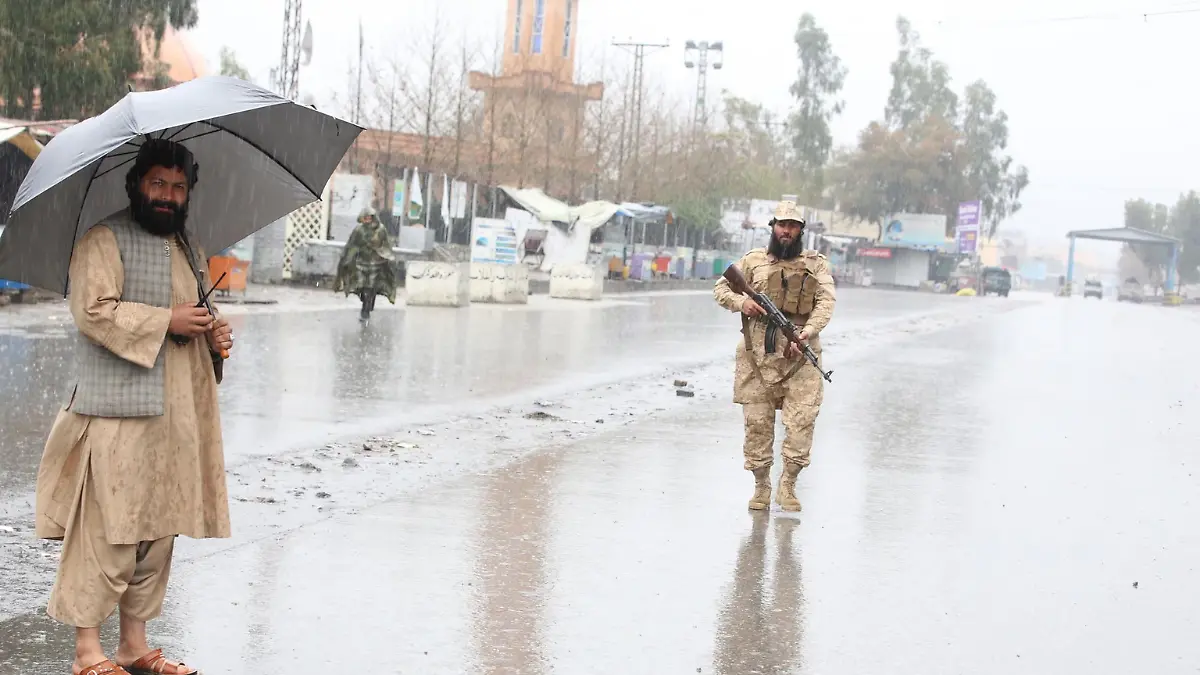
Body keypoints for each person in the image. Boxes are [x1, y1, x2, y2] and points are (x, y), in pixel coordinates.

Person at [34, 138, 233, 675]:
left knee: (155, 531)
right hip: (118, 414)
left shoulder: (188, 245)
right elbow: (93, 312)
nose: (168, 196)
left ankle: (132, 647)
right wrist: (166, 321)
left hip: (176, 419)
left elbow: (192, 316)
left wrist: (213, 333)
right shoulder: (104, 240)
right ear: (137, 185)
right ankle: (86, 652)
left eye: (178, 187)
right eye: (158, 184)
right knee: (109, 532)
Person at [713, 201, 836, 512]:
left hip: (800, 358)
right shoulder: (753, 261)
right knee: (757, 427)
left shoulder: (816, 264)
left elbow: (825, 302)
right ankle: (761, 485)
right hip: (758, 358)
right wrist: (743, 304)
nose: (786, 230)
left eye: (793, 226)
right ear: (773, 227)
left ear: (801, 231)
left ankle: (788, 484)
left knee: (802, 424)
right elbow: (721, 288)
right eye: (782, 224)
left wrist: (807, 331)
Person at [333, 207, 397, 321]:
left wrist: (387, 256)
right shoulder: (359, 230)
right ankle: (366, 302)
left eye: (369, 217)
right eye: (365, 217)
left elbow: (386, 245)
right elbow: (351, 244)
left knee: (371, 287)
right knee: (361, 285)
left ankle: (366, 310)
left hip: (376, 263)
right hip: (360, 262)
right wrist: (347, 257)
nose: (367, 220)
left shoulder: (381, 230)